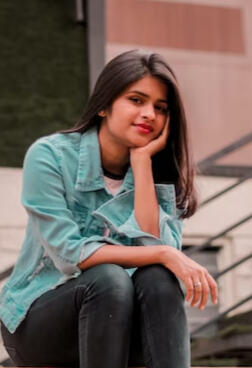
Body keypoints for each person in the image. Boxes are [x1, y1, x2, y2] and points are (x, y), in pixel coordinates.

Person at [0, 49, 218, 368]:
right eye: (136, 100)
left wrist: (141, 164)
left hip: (119, 324)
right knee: (108, 278)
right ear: (104, 105)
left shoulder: (159, 175)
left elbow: (156, 252)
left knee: (158, 278)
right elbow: (69, 254)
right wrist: (165, 254)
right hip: (37, 324)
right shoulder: (50, 156)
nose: (149, 114)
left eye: (160, 108)